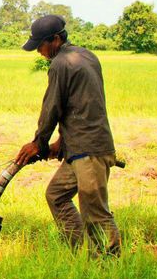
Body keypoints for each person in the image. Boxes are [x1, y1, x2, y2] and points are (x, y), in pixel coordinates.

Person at [15, 15, 120, 256]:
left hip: (89, 151)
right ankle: (81, 251)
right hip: (78, 148)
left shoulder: (61, 64)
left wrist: (38, 144)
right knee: (56, 195)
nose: (39, 52)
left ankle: (111, 267)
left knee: (96, 213)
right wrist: (61, 143)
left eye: (40, 45)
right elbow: (81, 104)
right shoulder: (87, 56)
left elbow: (52, 108)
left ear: (55, 39)